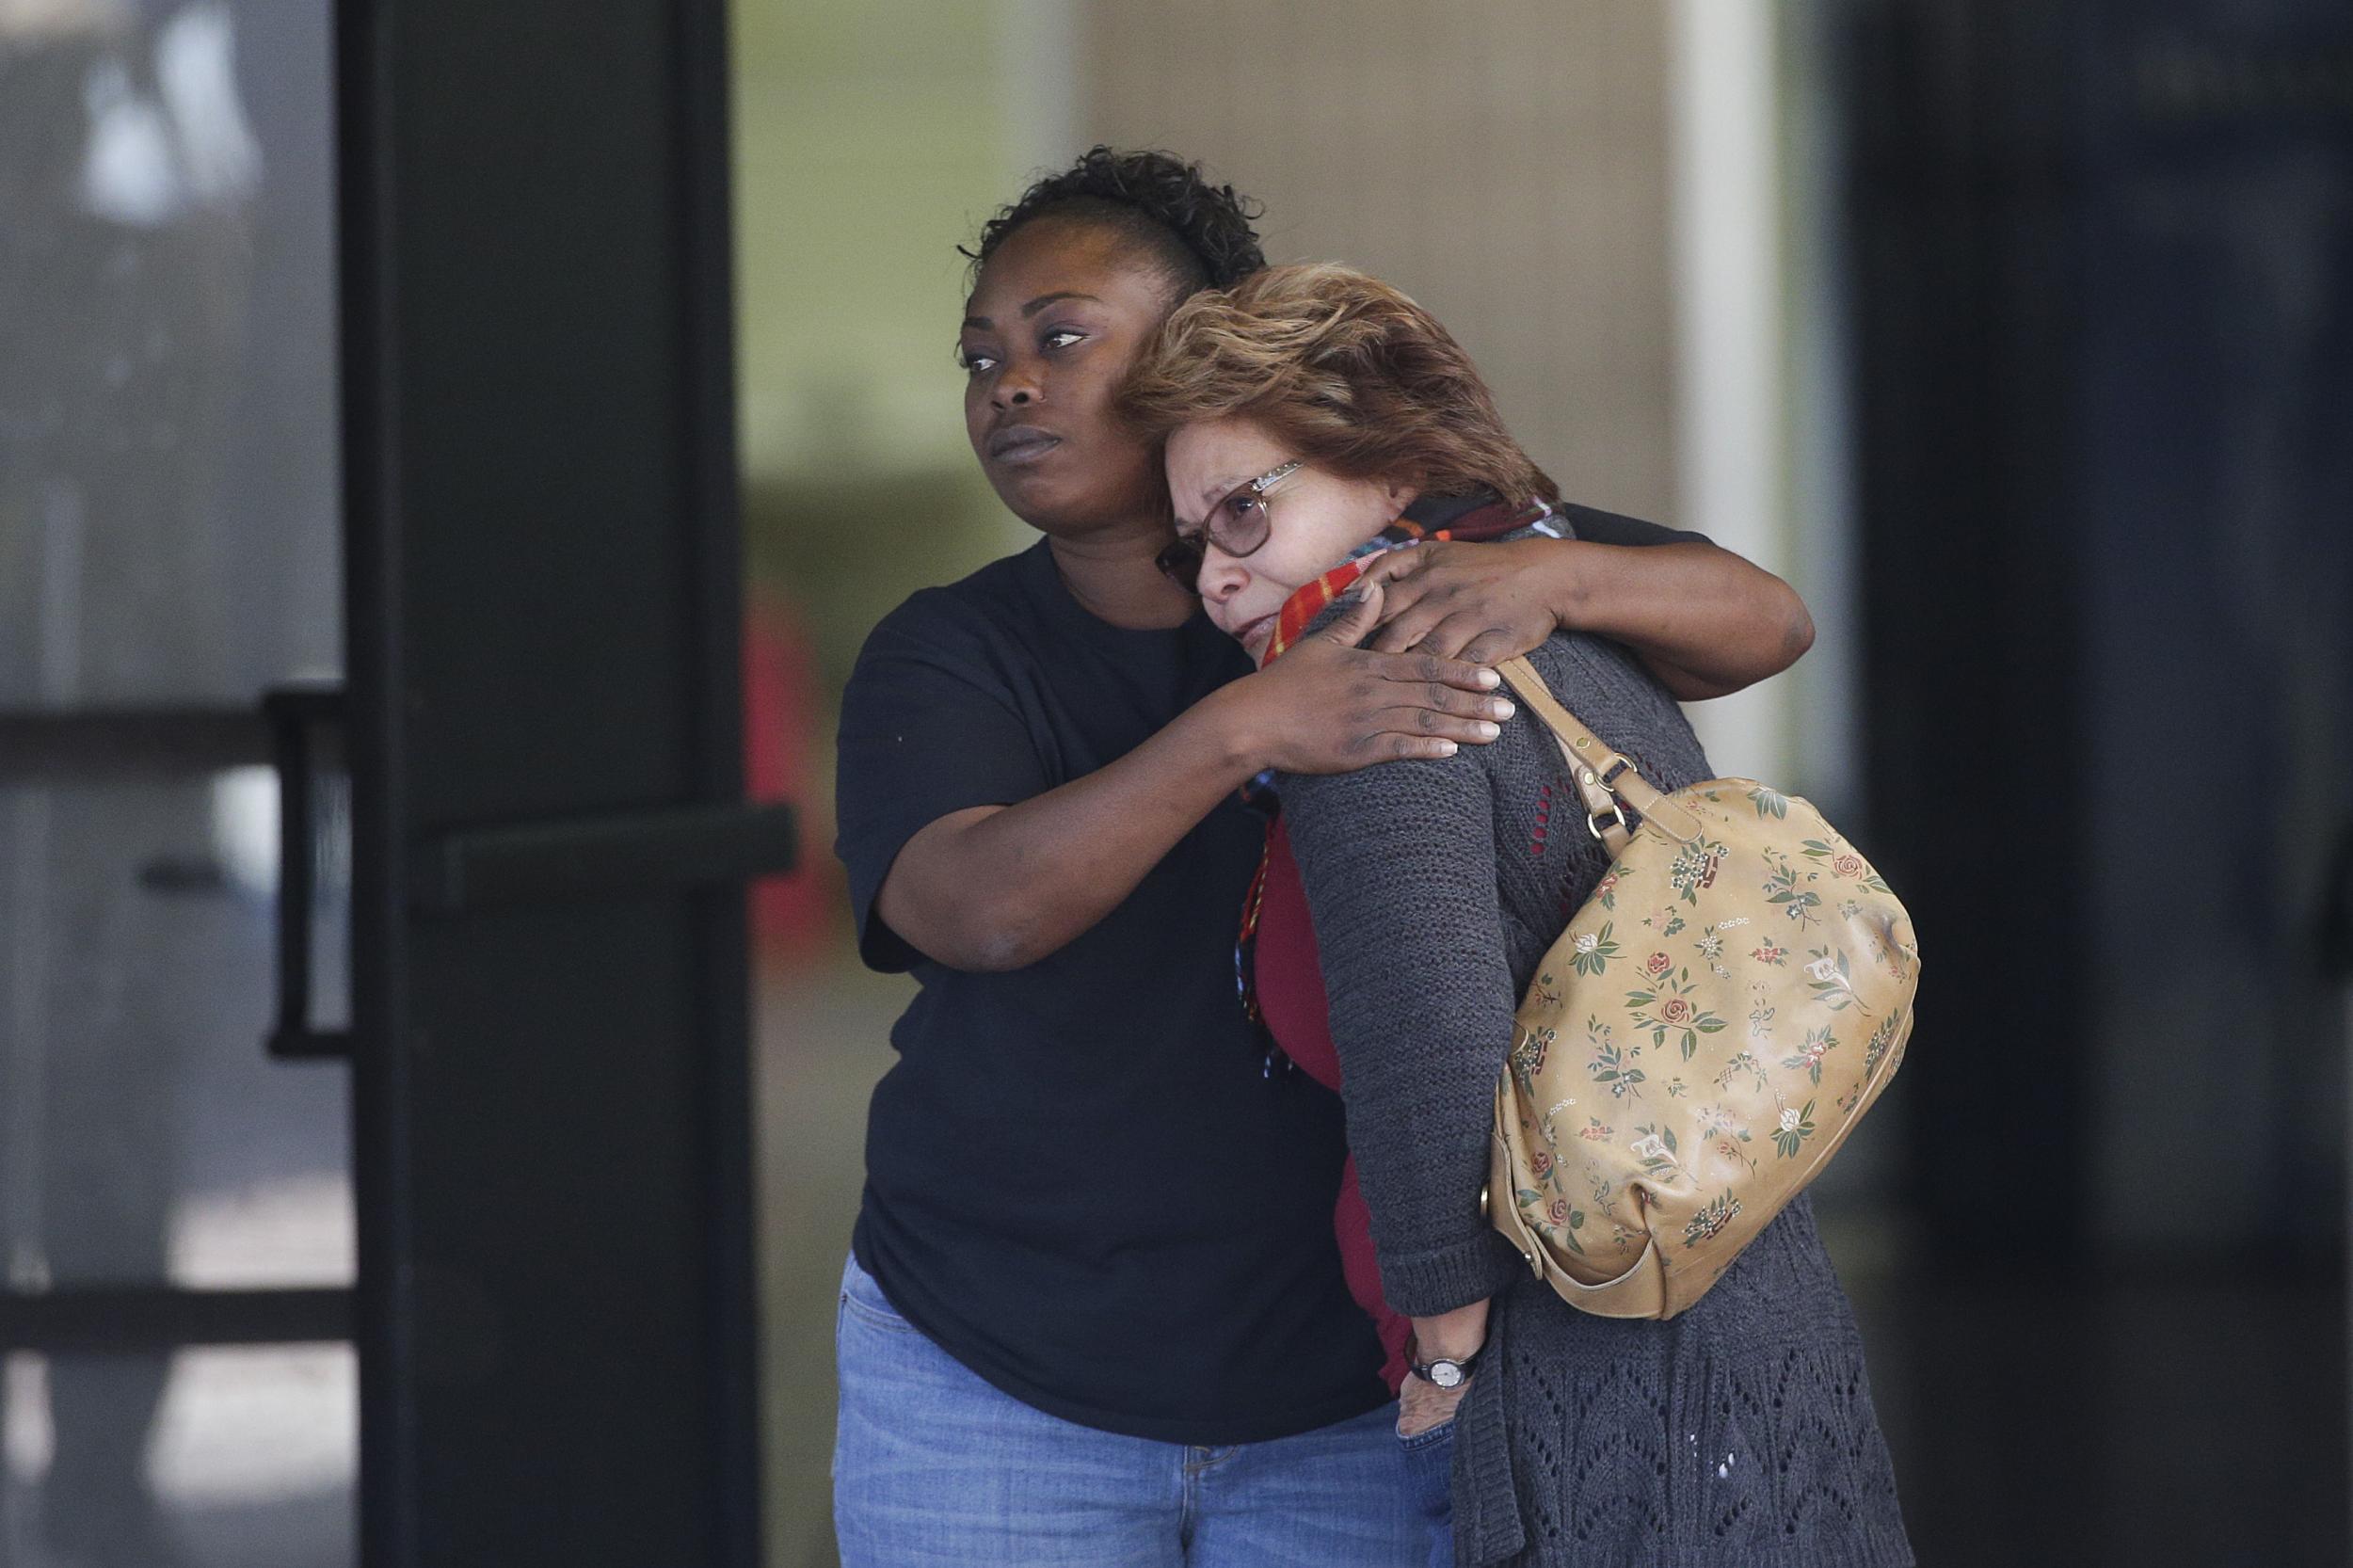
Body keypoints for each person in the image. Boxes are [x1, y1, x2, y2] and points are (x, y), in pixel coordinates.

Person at [829, 149, 1817, 1568]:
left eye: (1061, 336)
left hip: (1354, 1402)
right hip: (994, 1378)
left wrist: (1548, 572)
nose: (1008, 383)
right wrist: (1250, 724)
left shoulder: (1391, 557)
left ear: (1195, 352)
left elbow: (1763, 619)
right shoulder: (951, 650)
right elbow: (973, 907)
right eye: (981, 355)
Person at [1121, 261, 1913, 1567]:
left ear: (1387, 471)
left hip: (1575, 1389)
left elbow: (1427, 1039)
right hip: (1758, 1330)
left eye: (1245, 512)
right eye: (1190, 542)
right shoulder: (1560, 632)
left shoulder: (1383, 690)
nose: (1213, 576)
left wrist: (1445, 1350)